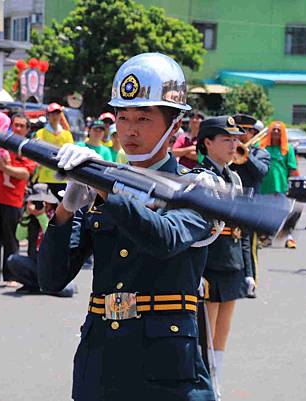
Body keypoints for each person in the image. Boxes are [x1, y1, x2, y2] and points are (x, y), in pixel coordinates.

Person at [38, 52, 216, 401]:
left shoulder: (196, 188)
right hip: (102, 362)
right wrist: (65, 209)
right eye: (123, 117)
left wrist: (108, 188)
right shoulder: (101, 185)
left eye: (144, 118)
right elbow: (52, 278)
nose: (130, 130)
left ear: (174, 126)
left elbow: (165, 238)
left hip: (165, 371)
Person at [197, 116, 253, 397]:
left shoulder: (235, 177)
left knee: (223, 332)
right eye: (227, 139)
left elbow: (242, 230)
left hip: (231, 262)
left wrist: (249, 270)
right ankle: (206, 385)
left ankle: (216, 383)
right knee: (204, 332)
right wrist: (195, 271)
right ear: (208, 142)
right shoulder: (199, 176)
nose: (234, 145)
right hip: (209, 264)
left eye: (236, 139)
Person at [0, 112, 37, 286]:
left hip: (13, 201)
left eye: (21, 126)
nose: (17, 128)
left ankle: (11, 276)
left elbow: (25, 173)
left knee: (11, 240)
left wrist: (2, 167)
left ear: (27, 129)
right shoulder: (1, 142)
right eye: (15, 124)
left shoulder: (28, 149)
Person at [4, 183, 78, 297]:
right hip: (37, 261)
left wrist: (41, 215)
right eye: (35, 201)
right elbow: (19, 236)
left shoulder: (57, 214)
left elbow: (51, 234)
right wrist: (26, 215)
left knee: (69, 290)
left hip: (54, 265)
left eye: (42, 202)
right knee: (13, 260)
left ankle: (48, 286)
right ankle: (39, 286)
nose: (39, 204)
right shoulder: (30, 216)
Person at [230, 114, 270, 296]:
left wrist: (245, 155)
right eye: (238, 130)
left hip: (250, 203)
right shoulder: (229, 149)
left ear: (253, 132)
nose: (240, 134)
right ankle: (235, 280)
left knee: (249, 245)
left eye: (244, 130)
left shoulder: (261, 153)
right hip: (230, 202)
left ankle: (250, 281)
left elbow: (261, 173)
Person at [259, 121, 300, 249]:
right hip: (264, 186)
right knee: (266, 213)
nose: (276, 132)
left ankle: (289, 237)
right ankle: (267, 237)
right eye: (274, 129)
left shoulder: (288, 149)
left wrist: (292, 187)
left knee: (283, 213)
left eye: (279, 130)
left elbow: (292, 169)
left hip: (281, 186)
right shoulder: (262, 147)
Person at [34, 103, 74, 199]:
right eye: (52, 114)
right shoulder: (40, 133)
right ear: (48, 115)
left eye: (57, 113)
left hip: (62, 179)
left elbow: (70, 154)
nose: (55, 116)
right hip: (45, 178)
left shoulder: (67, 134)